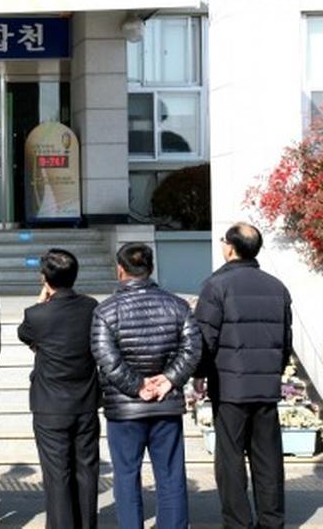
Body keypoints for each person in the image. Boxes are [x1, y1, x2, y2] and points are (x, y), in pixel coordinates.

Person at [91, 242, 201, 529]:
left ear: (120, 270)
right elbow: (192, 348)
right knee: (171, 475)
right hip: (166, 403)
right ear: (151, 268)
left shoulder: (105, 311)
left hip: (125, 408)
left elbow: (106, 357)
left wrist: (137, 386)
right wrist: (170, 379)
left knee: (126, 476)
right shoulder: (177, 306)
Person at [193, 223, 293, 529]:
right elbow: (285, 342)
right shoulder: (277, 287)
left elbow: (204, 337)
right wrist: (274, 372)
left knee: (231, 458)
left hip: (229, 387)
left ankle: (238, 522)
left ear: (231, 248)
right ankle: (271, 521)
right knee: (268, 458)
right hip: (265, 386)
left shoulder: (216, 286)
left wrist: (199, 373)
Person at [17, 249, 101, 529]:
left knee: (57, 475)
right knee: (87, 471)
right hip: (86, 402)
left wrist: (41, 301)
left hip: (50, 405)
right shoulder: (91, 307)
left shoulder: (36, 315)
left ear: (45, 279)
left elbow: (24, 334)